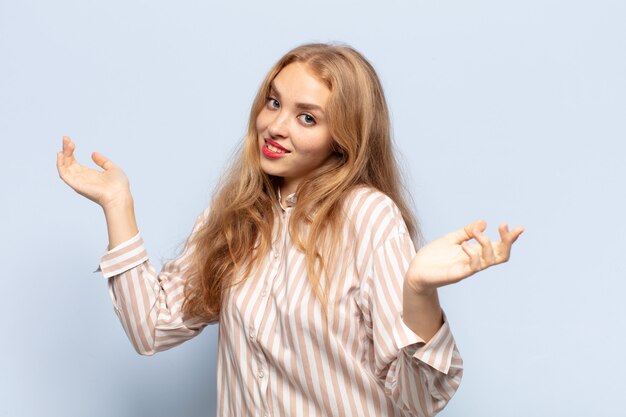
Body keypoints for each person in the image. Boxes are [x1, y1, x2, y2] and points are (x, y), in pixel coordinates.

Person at [56, 43, 524, 417]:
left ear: (345, 138)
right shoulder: (234, 215)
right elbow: (150, 329)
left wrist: (419, 291)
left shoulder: (368, 216)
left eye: (306, 117)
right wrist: (118, 205)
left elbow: (421, 400)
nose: (274, 126)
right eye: (273, 102)